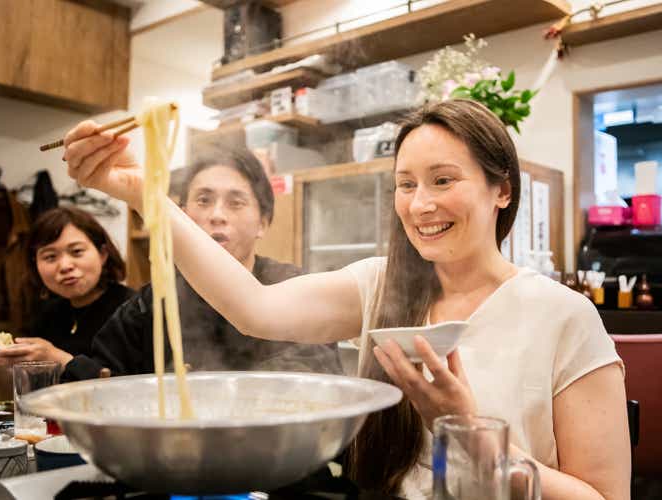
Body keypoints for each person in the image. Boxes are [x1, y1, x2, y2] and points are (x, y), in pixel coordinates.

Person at [64, 99, 630, 500]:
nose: (420, 204)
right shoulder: (380, 286)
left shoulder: (563, 316)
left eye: (443, 180)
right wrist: (142, 196)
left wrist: (467, 428)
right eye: (406, 184)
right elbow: (254, 308)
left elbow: (603, 497)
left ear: (501, 189)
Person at [61, 147, 342, 380]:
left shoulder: (292, 287)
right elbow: (104, 379)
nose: (217, 215)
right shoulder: (155, 300)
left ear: (263, 222)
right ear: (181, 217)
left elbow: (318, 374)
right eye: (204, 200)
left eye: (236, 202)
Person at [0, 207, 133, 366]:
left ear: (103, 254)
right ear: (35, 264)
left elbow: (129, 382)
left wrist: (57, 358)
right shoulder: (46, 315)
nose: (64, 266)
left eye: (76, 251)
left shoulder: (132, 310)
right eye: (50, 257)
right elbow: (23, 384)